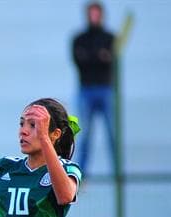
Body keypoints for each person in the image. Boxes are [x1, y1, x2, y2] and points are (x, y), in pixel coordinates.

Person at [71, 1, 116, 176]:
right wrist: (99, 57)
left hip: (106, 90)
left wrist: (91, 57)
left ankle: (117, 173)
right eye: (92, 14)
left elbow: (111, 61)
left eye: (97, 14)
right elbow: (79, 61)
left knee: (112, 135)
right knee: (85, 136)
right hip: (86, 91)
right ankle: (81, 174)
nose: (94, 17)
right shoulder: (79, 39)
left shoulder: (110, 38)